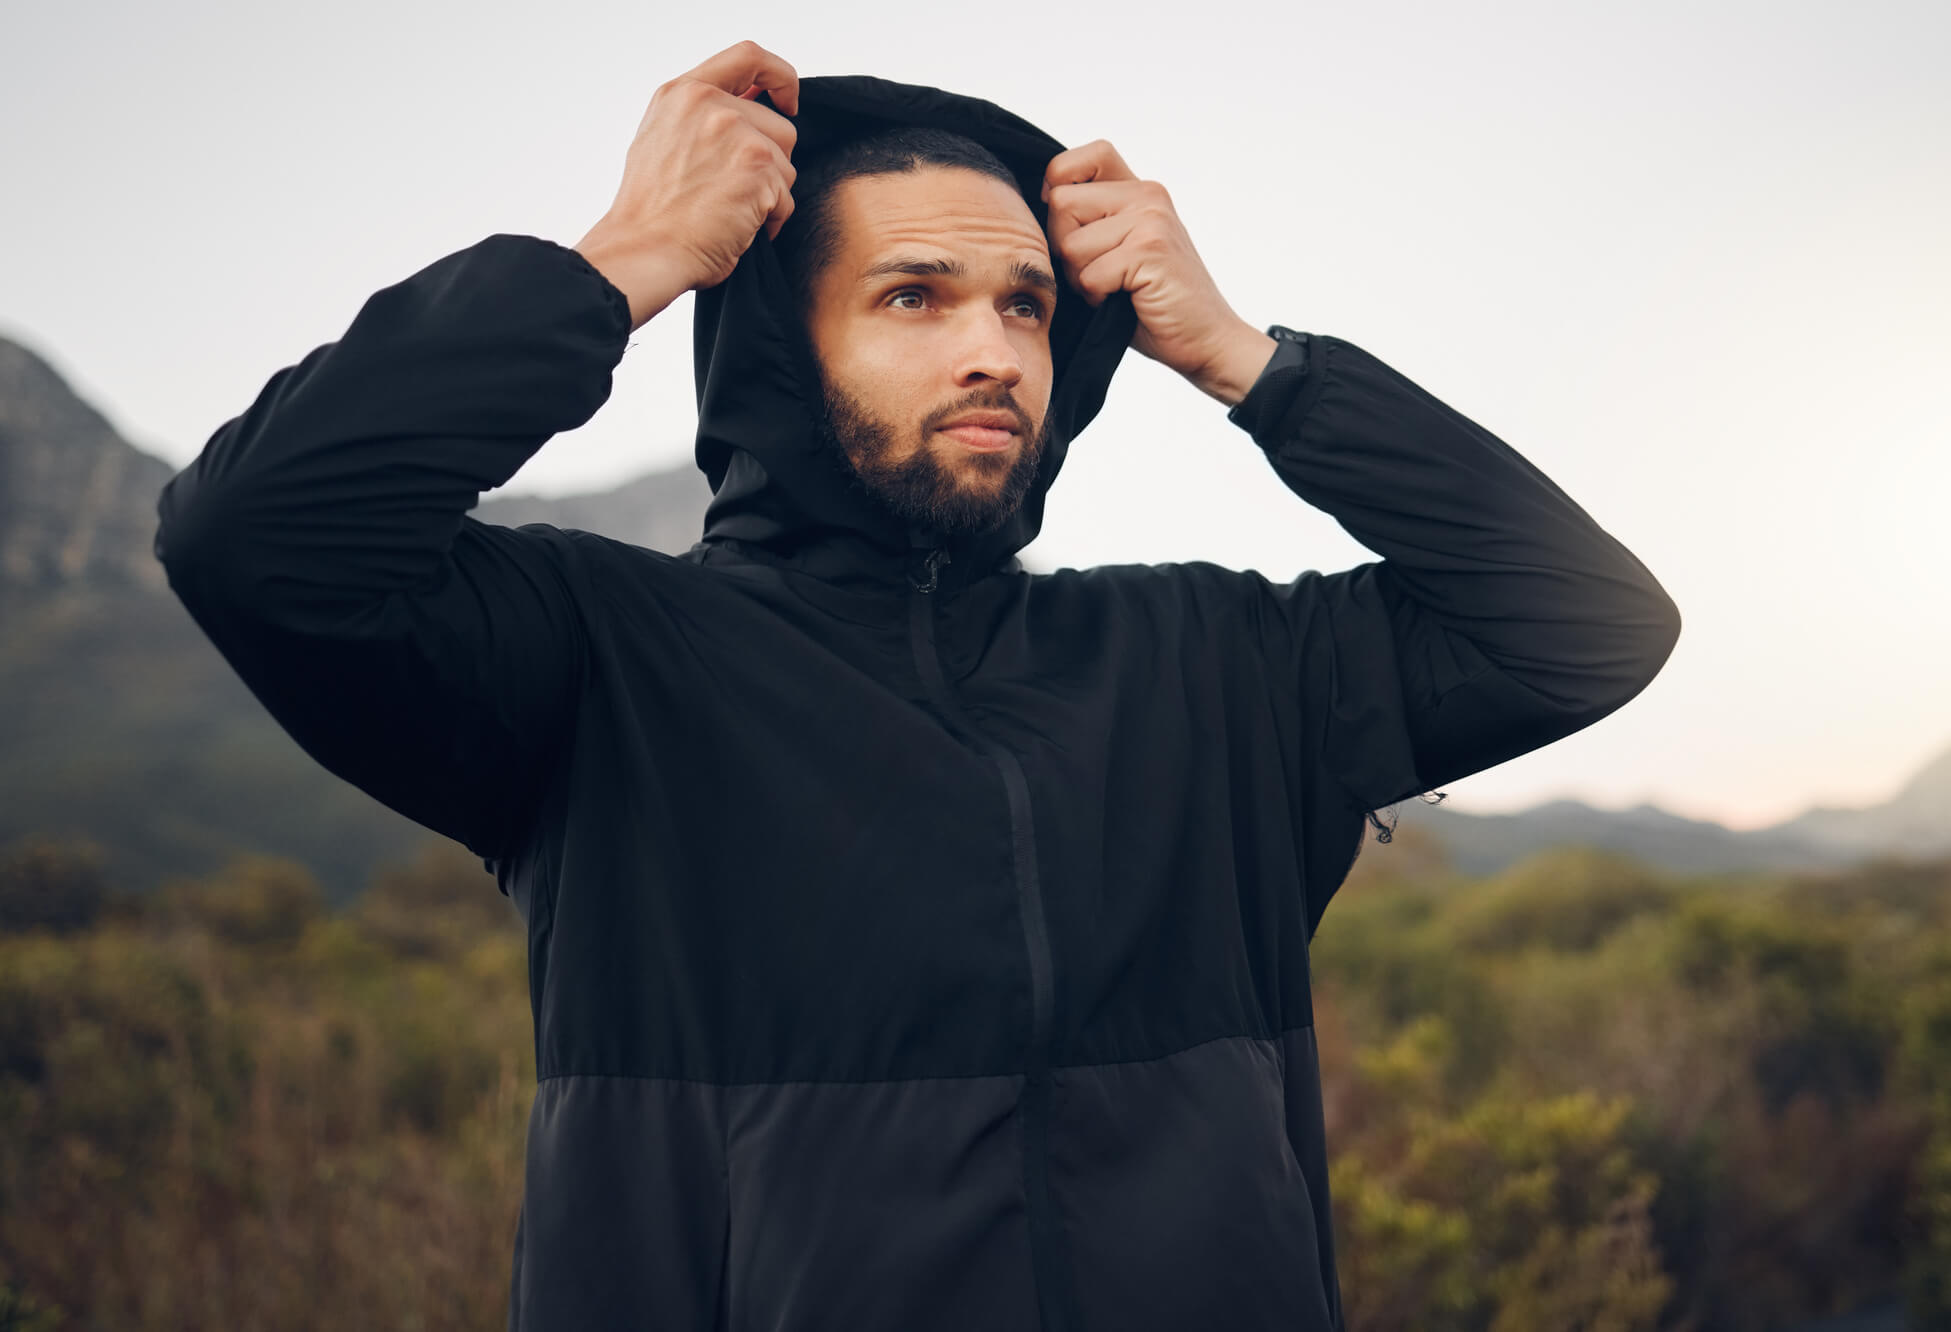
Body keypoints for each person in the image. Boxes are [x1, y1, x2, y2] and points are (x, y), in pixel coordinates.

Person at [155, 39, 1681, 1332]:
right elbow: (257, 539)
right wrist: (627, 257)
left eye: (1026, 306)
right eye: (913, 297)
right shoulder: (597, 660)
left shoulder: (1215, 663)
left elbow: (1586, 626)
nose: (994, 351)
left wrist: (1249, 361)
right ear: (776, 343)